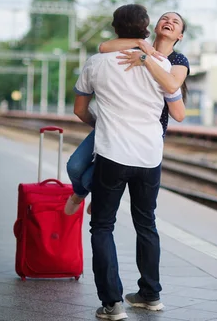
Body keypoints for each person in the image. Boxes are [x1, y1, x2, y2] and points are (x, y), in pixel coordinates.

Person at [73, 4, 181, 320]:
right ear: (147, 28)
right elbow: (176, 105)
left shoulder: (96, 63)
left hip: (112, 154)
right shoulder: (161, 64)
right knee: (146, 222)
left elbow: (80, 110)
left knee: (102, 225)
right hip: (149, 156)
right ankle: (150, 294)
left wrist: (103, 124)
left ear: (114, 27)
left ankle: (112, 304)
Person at [65, 11, 190, 216]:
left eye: (176, 22)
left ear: (180, 36)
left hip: (145, 130)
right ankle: (81, 193)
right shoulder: (140, 45)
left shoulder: (177, 60)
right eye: (164, 19)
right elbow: (103, 48)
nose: (169, 22)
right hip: (115, 121)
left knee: (95, 178)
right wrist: (140, 44)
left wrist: (145, 59)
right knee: (75, 166)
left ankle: (97, 194)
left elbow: (171, 85)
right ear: (155, 28)